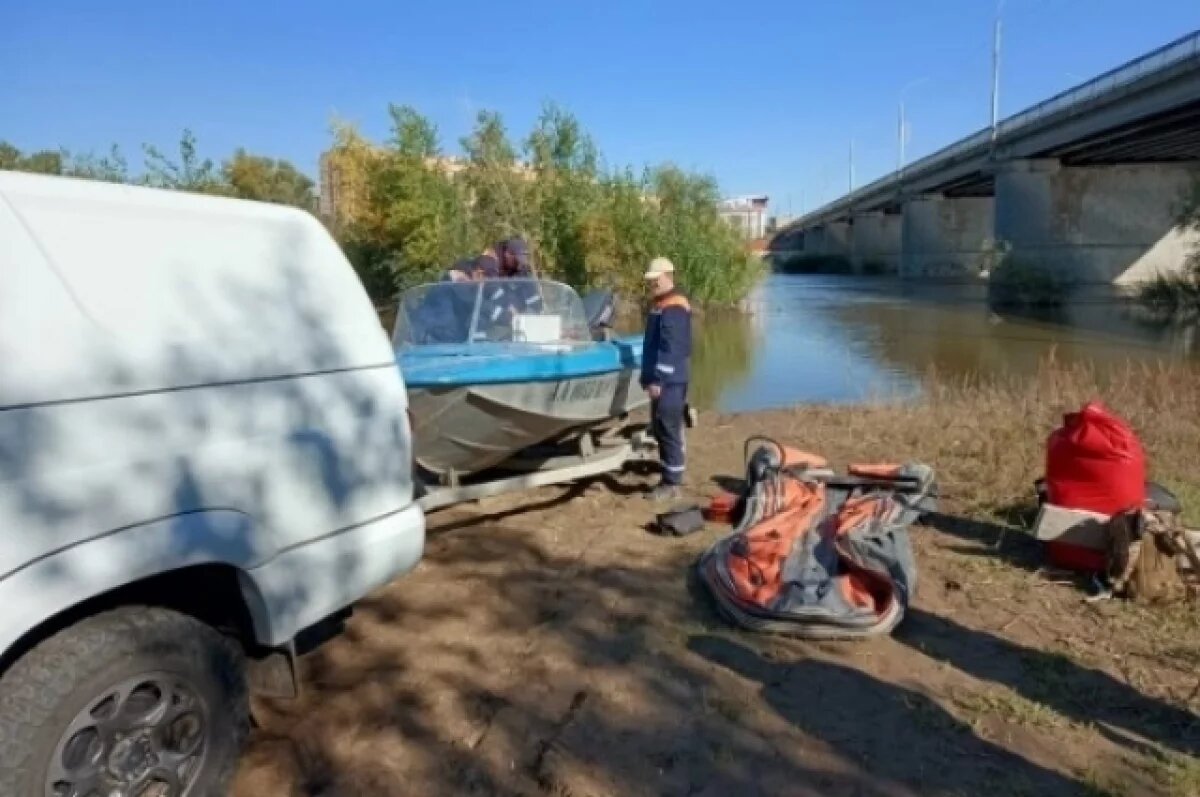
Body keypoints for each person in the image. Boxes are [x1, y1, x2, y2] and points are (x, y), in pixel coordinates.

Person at [640, 256, 692, 501]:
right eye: (651, 280)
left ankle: (672, 484)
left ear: (668, 276)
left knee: (668, 428)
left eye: (656, 279)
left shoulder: (674, 306)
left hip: (670, 382)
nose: (652, 284)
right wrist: (647, 376)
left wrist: (659, 379)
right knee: (661, 428)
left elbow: (671, 348)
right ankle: (669, 474)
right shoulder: (661, 303)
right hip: (665, 380)